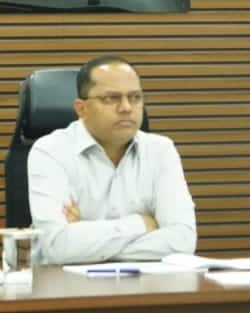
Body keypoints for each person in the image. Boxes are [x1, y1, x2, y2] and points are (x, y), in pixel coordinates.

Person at [27, 56, 196, 264]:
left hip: (146, 282)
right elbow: (58, 246)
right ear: (81, 109)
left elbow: (182, 241)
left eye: (135, 97)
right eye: (111, 98)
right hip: (65, 282)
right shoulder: (51, 151)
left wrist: (86, 242)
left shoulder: (161, 150)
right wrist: (141, 224)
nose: (126, 107)